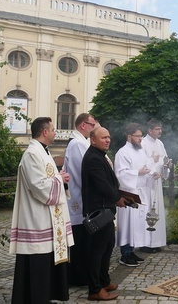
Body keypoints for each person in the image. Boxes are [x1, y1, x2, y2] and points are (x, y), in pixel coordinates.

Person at [9, 117, 74, 304]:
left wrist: (60, 177)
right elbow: (39, 186)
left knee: (48, 261)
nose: (55, 132)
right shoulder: (31, 154)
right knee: (38, 262)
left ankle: (46, 297)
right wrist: (60, 180)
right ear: (45, 132)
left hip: (50, 218)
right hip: (37, 219)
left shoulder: (43, 153)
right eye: (53, 129)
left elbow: (49, 179)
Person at [81, 127, 127, 301]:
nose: (108, 140)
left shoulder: (98, 155)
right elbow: (102, 185)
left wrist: (118, 196)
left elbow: (109, 182)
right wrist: (118, 198)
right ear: (93, 140)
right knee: (97, 251)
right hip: (98, 211)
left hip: (105, 210)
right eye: (103, 138)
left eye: (109, 137)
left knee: (108, 246)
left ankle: (104, 280)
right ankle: (94, 289)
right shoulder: (93, 158)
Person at [62, 112, 97, 286]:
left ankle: (81, 274)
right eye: (92, 125)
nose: (94, 128)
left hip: (83, 198)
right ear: (83, 125)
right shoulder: (77, 144)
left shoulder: (81, 142)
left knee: (84, 240)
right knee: (79, 240)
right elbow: (80, 172)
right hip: (78, 199)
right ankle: (77, 276)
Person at [114, 123, 151, 267]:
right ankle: (125, 254)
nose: (140, 139)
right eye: (138, 136)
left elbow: (146, 166)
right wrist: (138, 173)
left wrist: (151, 173)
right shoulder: (122, 153)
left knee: (137, 224)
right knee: (128, 224)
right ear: (129, 136)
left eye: (141, 136)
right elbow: (121, 173)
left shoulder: (140, 151)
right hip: (129, 193)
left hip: (140, 190)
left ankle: (132, 250)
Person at [139, 119, 169, 253]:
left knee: (157, 211)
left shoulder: (160, 143)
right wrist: (152, 172)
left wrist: (165, 168)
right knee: (148, 211)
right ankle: (146, 243)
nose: (160, 131)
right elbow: (141, 163)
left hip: (157, 182)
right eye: (157, 129)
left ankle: (156, 242)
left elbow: (164, 160)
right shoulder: (143, 143)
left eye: (160, 129)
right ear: (150, 130)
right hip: (147, 183)